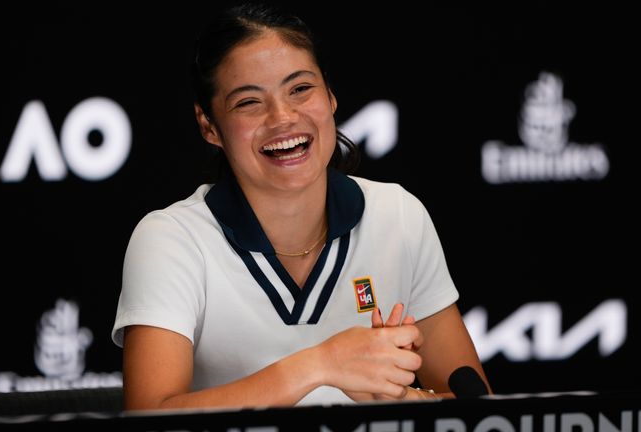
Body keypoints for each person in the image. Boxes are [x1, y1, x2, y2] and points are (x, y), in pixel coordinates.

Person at [112, 2, 490, 410]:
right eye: (248, 102)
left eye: (300, 89)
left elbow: (476, 406)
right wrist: (320, 366)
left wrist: (397, 397)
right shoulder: (172, 239)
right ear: (209, 126)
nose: (283, 118)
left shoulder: (398, 215)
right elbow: (149, 414)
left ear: (329, 95)